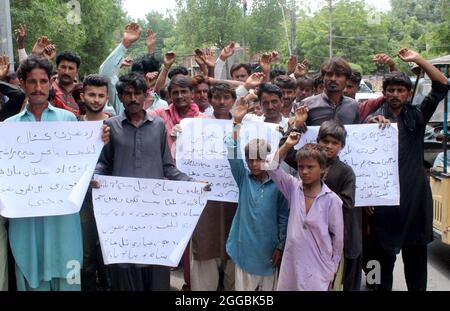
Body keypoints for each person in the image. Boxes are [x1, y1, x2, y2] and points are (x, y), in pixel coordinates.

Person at [5, 56, 109, 291]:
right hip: (26, 219)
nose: (39, 88)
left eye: (43, 81)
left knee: (67, 272)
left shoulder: (68, 120)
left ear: (50, 84)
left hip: (62, 219)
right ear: (22, 83)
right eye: (32, 82)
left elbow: (80, 162)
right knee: (32, 274)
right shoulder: (9, 127)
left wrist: (97, 142)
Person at [94, 72, 194, 291]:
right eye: (127, 94)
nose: (133, 99)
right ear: (119, 97)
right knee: (125, 269)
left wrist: (192, 183)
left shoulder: (158, 126)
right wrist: (94, 178)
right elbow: (104, 164)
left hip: (154, 212)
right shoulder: (110, 126)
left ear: (145, 95)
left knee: (156, 266)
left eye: (137, 93)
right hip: (121, 213)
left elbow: (167, 166)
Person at [365, 48, 449, 291]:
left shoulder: (418, 116)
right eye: (390, 90)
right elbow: (364, 162)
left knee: (416, 262)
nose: (395, 94)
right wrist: (368, 195)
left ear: (408, 93)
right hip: (383, 204)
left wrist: (417, 60)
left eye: (401, 90)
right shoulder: (372, 119)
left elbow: (442, 85)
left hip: (415, 200)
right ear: (384, 93)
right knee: (380, 266)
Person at [225, 100, 288, 291]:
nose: (253, 164)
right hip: (245, 251)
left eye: (259, 159)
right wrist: (236, 122)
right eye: (250, 160)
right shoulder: (243, 178)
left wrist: (280, 246)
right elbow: (232, 151)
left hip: (269, 252)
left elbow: (284, 217)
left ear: (268, 159)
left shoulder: (280, 184)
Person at [267, 134, 343, 291]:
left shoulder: (332, 200)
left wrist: (331, 269)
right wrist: (287, 145)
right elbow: (270, 167)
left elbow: (338, 240)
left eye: (310, 167)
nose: (304, 172)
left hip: (318, 268)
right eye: (301, 167)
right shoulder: (293, 188)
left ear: (322, 169)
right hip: (292, 264)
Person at [190, 83, 238, 291]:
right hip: (206, 198)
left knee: (234, 247)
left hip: (235, 197)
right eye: (217, 97)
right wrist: (180, 136)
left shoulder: (244, 125)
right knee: (204, 245)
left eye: (226, 97)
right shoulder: (194, 127)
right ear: (209, 100)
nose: (221, 102)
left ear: (233, 101)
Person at [78, 74, 111, 291]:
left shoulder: (116, 125)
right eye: (91, 94)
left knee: (110, 249)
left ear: (107, 98)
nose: (96, 99)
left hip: (111, 197)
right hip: (83, 199)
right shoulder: (73, 125)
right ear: (82, 96)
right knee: (86, 250)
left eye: (100, 95)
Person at [301, 58, 359, 126]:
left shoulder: (353, 106)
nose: (333, 79)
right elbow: (293, 134)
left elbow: (357, 132)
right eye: (329, 74)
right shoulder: (307, 105)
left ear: (347, 80)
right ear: (323, 78)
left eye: (338, 75)